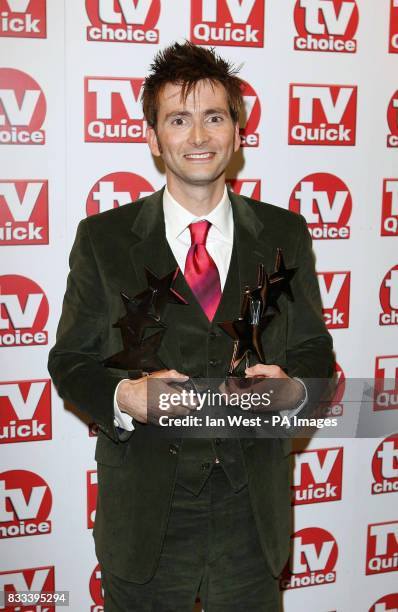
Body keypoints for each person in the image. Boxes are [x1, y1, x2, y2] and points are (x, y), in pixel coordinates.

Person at [48, 42, 334, 611]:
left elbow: (314, 353)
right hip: (146, 515)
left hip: (251, 515)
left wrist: (296, 390)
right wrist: (124, 396)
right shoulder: (103, 239)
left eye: (214, 117)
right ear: (153, 137)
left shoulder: (286, 234)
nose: (198, 137)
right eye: (178, 119)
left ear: (237, 132)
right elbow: (71, 361)